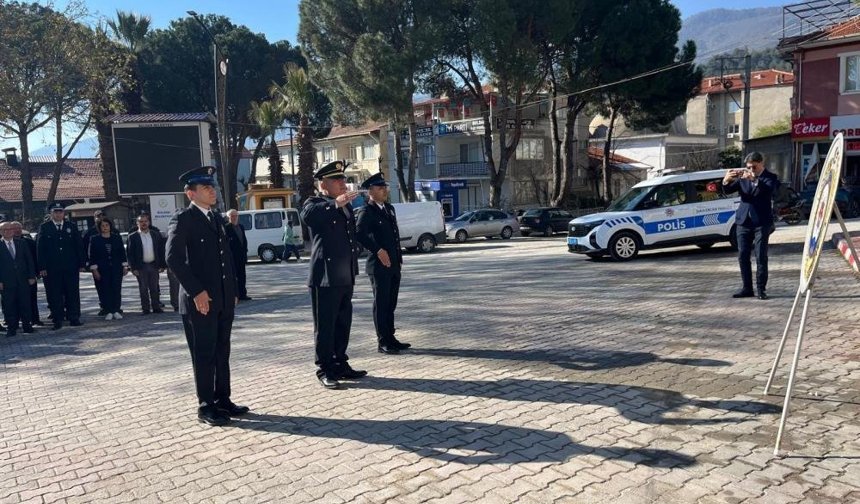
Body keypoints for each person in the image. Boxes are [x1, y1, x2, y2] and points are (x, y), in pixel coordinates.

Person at [166, 166, 249, 426]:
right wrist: (197, 292)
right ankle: (206, 406)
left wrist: (233, 291)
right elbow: (173, 259)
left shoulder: (215, 218)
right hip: (199, 302)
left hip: (223, 299)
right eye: (205, 187)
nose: (212, 190)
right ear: (190, 193)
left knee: (222, 351)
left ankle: (223, 399)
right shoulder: (183, 220)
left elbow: (226, 260)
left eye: (212, 186)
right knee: (204, 354)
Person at [301, 160, 367, 389]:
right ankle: (325, 368)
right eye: (337, 180)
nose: (343, 183)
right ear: (323, 185)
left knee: (342, 323)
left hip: (344, 274)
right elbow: (309, 217)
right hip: (325, 277)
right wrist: (335, 205)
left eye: (343, 179)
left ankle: (340, 362)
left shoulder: (346, 206)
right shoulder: (315, 204)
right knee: (325, 325)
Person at [355, 173, 411, 354]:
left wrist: (398, 260)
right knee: (381, 302)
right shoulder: (367, 211)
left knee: (391, 302)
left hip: (393, 264)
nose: (384, 190)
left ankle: (391, 336)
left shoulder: (389, 208)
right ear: (370, 191)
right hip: (378, 266)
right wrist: (377, 250)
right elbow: (359, 234)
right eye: (380, 188)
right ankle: (382, 341)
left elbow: (394, 236)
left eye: (384, 187)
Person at [723, 151, 780, 300]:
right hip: (743, 221)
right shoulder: (744, 177)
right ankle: (747, 288)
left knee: (761, 256)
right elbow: (728, 190)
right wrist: (726, 180)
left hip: (761, 222)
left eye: (754, 167)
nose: (751, 170)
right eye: (749, 167)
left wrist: (754, 179)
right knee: (742, 255)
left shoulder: (770, 178)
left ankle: (761, 289)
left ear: (762, 163)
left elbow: (768, 191)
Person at [37, 203, 85, 330]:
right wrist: (42, 267)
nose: (58, 214)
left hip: (70, 267)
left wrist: (81, 263)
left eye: (60, 212)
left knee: (72, 292)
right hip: (52, 268)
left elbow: (78, 246)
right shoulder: (45, 227)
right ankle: (57, 319)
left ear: (64, 213)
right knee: (55, 294)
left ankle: (73, 317)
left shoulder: (71, 226)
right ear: (51, 213)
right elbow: (40, 249)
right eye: (55, 212)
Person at [0, 221, 36, 337]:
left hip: (23, 280)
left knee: (25, 303)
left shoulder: (21, 243)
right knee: (9, 305)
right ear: (1, 232)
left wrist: (31, 276)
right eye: (5, 230)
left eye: (10, 229)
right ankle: (12, 328)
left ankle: (27, 326)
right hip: (6, 281)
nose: (8, 231)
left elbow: (29, 260)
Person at [88, 218, 128, 320]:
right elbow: (92, 256)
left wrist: (125, 266)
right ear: (99, 227)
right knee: (105, 289)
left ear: (110, 226)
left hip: (116, 268)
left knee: (116, 288)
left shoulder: (116, 238)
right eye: (103, 226)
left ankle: (116, 310)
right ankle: (109, 310)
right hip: (102, 269)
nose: (105, 227)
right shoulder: (95, 239)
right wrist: (94, 270)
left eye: (107, 225)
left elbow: (122, 253)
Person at [127, 213, 166, 314]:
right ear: (137, 223)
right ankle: (145, 308)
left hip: (154, 264)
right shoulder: (133, 237)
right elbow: (130, 254)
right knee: (143, 288)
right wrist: (133, 268)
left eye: (145, 221)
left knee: (155, 287)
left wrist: (162, 265)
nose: (143, 223)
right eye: (141, 221)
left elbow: (160, 250)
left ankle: (156, 307)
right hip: (141, 266)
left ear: (148, 222)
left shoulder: (155, 234)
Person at [11, 221, 43, 326]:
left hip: (29, 276)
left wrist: (36, 273)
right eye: (15, 228)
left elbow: (35, 258)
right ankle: (15, 320)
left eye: (19, 228)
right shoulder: (5, 244)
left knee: (32, 298)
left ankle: (35, 319)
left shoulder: (29, 242)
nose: (17, 230)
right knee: (15, 300)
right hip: (13, 277)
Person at [82, 210, 108, 316]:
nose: (100, 218)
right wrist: (87, 263)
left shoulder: (112, 229)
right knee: (100, 286)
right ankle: (104, 306)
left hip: (111, 263)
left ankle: (115, 306)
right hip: (96, 264)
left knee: (114, 286)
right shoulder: (89, 233)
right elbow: (84, 248)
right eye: (98, 216)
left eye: (102, 216)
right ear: (94, 218)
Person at [224, 209, 251, 301]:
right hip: (232, 258)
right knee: (233, 277)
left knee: (242, 276)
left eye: (236, 216)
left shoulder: (241, 227)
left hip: (241, 256)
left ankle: (243, 294)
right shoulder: (226, 228)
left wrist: (245, 252)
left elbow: (244, 240)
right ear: (228, 218)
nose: (234, 218)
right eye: (232, 216)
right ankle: (235, 296)